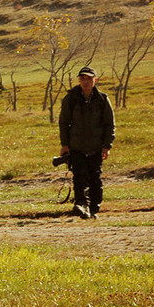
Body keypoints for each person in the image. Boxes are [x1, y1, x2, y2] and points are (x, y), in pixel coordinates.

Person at [58, 65, 114, 219]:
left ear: (95, 80)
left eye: (89, 78)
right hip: (76, 146)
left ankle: (94, 209)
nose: (85, 81)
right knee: (79, 177)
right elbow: (63, 123)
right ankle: (81, 205)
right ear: (79, 80)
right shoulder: (71, 98)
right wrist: (64, 145)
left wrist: (106, 146)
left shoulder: (102, 99)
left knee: (95, 178)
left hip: (96, 147)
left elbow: (109, 124)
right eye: (82, 78)